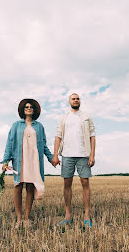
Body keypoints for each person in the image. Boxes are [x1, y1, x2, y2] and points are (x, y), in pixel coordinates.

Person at [1, 99, 59, 228]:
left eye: (31, 107)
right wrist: (5, 161)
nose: (28, 108)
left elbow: (43, 145)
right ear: (23, 109)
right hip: (19, 159)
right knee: (18, 187)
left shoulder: (39, 126)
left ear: (35, 110)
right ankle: (19, 218)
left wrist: (51, 158)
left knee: (30, 187)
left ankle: (26, 218)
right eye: (26, 106)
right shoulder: (16, 125)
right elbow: (9, 144)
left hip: (34, 160)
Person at [52, 93, 96, 227]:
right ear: (69, 101)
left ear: (80, 101)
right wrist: (55, 155)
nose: (76, 100)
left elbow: (92, 136)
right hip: (67, 155)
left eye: (78, 99)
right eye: (73, 99)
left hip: (83, 154)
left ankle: (87, 217)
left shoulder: (86, 116)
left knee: (85, 183)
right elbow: (58, 136)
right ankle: (67, 216)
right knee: (67, 184)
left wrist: (92, 155)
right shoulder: (64, 117)